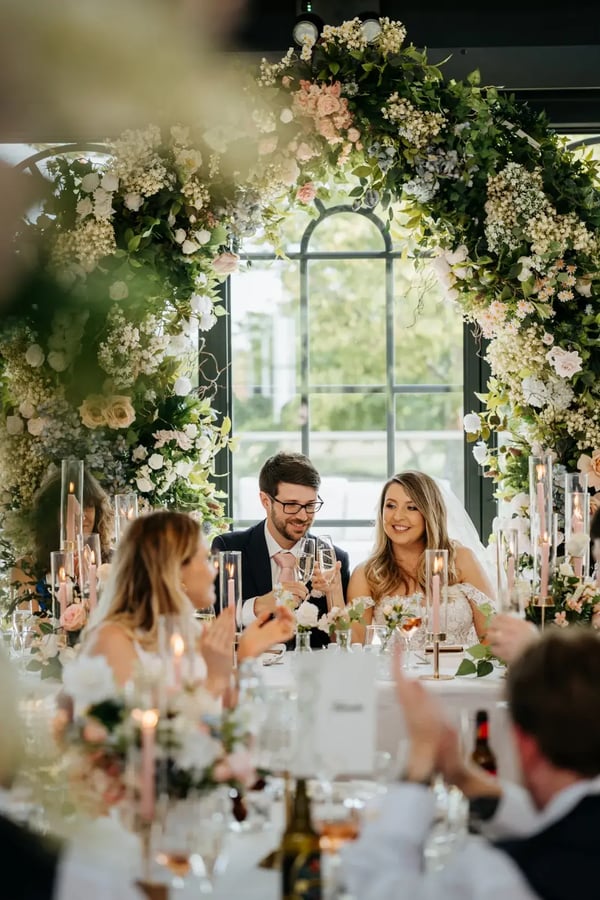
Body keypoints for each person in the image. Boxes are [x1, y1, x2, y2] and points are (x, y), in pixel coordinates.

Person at [344, 628, 600, 900]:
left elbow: (374, 890)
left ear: (524, 742)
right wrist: (464, 777)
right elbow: (560, 817)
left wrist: (419, 761)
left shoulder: (496, 874)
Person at [82, 510, 295, 691]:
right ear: (173, 569)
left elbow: (228, 722)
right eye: (204, 559)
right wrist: (240, 659)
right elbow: (161, 734)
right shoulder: (112, 640)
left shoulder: (193, 632)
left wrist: (247, 654)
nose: (213, 571)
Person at [211, 451, 350, 648]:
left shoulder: (333, 558)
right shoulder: (229, 548)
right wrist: (259, 606)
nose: (303, 516)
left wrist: (332, 594)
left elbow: (343, 645)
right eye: (291, 505)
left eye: (310, 505)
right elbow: (212, 623)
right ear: (265, 501)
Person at [347, 471, 494, 645]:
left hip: (459, 671)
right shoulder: (367, 573)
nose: (398, 516)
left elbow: (492, 639)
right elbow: (354, 646)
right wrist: (332, 592)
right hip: (397, 671)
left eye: (412, 507)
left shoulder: (461, 559)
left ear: (429, 513)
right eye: (391, 505)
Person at [11, 469, 114, 613]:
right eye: (71, 507)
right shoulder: (26, 568)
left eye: (89, 505)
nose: (81, 515)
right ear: (52, 513)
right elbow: (29, 627)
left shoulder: (116, 560)